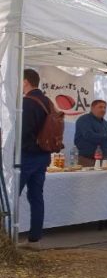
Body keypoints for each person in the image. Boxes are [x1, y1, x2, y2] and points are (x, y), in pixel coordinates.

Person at [19, 68, 53, 243]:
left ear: (25, 81)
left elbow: (25, 132)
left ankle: (6, 235)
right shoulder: (47, 101)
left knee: (11, 195)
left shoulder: (27, 102)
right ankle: (35, 235)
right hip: (43, 155)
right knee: (36, 196)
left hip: (27, 155)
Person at [74, 99, 107, 167]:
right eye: (100, 107)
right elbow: (89, 135)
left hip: (104, 160)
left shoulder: (106, 124)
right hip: (87, 160)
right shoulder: (84, 120)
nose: (103, 110)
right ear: (92, 108)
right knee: (88, 178)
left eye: (105, 108)